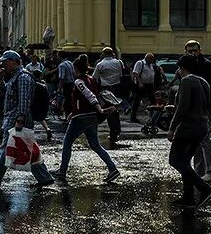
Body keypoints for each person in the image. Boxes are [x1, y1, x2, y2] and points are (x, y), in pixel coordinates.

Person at [0, 51, 55, 188]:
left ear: (13, 61)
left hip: (17, 118)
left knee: (6, 148)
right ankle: (44, 178)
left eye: (5, 62)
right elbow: (4, 94)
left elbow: (24, 100)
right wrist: (0, 79)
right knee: (27, 149)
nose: (3, 64)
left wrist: (20, 118)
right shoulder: (14, 77)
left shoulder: (23, 77)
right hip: (13, 117)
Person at [54, 55, 120, 184]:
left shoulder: (79, 81)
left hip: (82, 117)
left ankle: (62, 170)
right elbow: (89, 96)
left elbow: (89, 96)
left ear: (76, 68)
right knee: (95, 145)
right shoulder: (91, 79)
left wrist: (98, 108)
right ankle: (112, 168)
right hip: (91, 117)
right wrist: (73, 112)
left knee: (67, 142)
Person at [169, 55, 211, 209]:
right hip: (202, 126)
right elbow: (207, 106)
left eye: (179, 68)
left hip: (188, 127)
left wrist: (172, 127)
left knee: (175, 160)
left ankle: (205, 189)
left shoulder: (187, 80)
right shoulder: (204, 82)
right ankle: (188, 197)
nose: (178, 71)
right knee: (185, 162)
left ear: (182, 67)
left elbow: (183, 107)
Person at [183, 39, 211, 182]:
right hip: (194, 107)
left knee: (204, 139)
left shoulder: (207, 65)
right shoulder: (188, 65)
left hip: (203, 107)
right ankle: (200, 171)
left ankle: (210, 171)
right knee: (197, 140)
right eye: (190, 51)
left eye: (195, 50)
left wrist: (210, 107)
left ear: (200, 50)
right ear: (186, 51)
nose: (193, 53)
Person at [93, 47, 125, 143]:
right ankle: (116, 130)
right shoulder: (119, 62)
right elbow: (122, 73)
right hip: (117, 88)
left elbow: (94, 77)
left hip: (106, 89)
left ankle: (113, 132)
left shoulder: (100, 64)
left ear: (104, 54)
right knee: (115, 111)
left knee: (109, 111)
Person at [129, 53, 162, 123]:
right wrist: (140, 83)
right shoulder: (140, 63)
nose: (152, 61)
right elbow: (135, 73)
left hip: (149, 85)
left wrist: (153, 85)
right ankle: (133, 117)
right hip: (141, 84)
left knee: (153, 100)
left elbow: (151, 75)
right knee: (137, 100)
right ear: (147, 58)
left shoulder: (150, 65)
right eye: (151, 59)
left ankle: (152, 117)